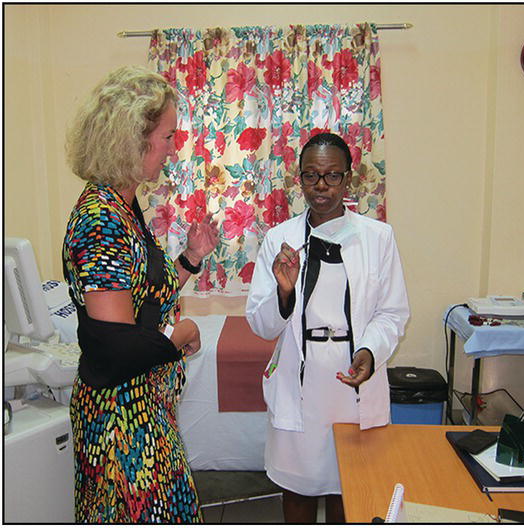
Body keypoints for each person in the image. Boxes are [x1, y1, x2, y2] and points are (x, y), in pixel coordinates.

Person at [62, 65, 219, 523]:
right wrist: (181, 333)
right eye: (168, 137)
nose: (174, 149)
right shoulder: (102, 220)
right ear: (132, 138)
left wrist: (191, 258)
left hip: (143, 406)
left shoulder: (124, 205)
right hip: (120, 421)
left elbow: (142, 300)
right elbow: (115, 348)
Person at [246, 133, 409, 523]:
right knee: (298, 493)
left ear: (348, 179)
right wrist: (284, 294)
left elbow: (393, 313)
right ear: (299, 179)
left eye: (332, 176)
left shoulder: (378, 238)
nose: (321, 186)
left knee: (349, 491)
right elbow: (261, 324)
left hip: (353, 380)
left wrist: (369, 352)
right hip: (301, 386)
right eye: (311, 175)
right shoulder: (279, 239)